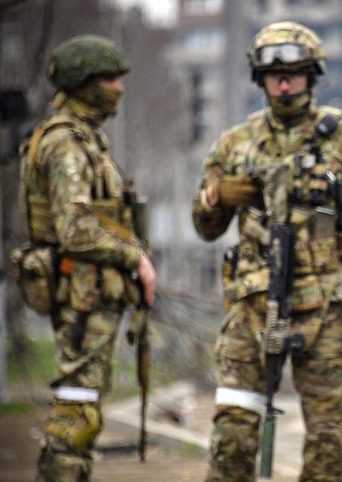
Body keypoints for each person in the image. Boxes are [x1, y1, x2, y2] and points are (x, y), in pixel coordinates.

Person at [191, 21, 342, 482]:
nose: (284, 84)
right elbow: (204, 227)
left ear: (313, 75)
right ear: (259, 79)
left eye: (296, 73)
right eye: (273, 75)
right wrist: (217, 197)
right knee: (233, 436)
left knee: (326, 441)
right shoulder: (234, 145)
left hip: (326, 308)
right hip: (253, 307)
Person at [17, 35, 156, 481]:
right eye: (111, 79)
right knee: (76, 415)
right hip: (81, 298)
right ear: (85, 84)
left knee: (84, 409)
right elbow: (75, 230)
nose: (120, 88)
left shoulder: (86, 139)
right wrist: (134, 257)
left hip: (91, 296)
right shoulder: (67, 144)